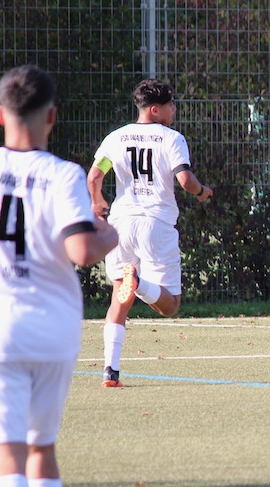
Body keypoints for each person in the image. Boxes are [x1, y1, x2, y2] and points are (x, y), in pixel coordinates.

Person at [0, 65, 118, 487]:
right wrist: (110, 232)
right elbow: (82, 251)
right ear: (52, 117)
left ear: (1, 115)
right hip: (56, 329)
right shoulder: (63, 175)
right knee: (42, 448)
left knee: (4, 452)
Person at [87, 79, 213, 388]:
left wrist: (97, 201)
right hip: (155, 225)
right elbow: (185, 180)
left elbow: (95, 176)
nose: (174, 110)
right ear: (155, 110)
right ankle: (140, 283)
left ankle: (110, 370)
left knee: (119, 299)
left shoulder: (116, 137)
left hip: (121, 225)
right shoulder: (172, 138)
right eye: (170, 105)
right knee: (170, 306)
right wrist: (202, 191)